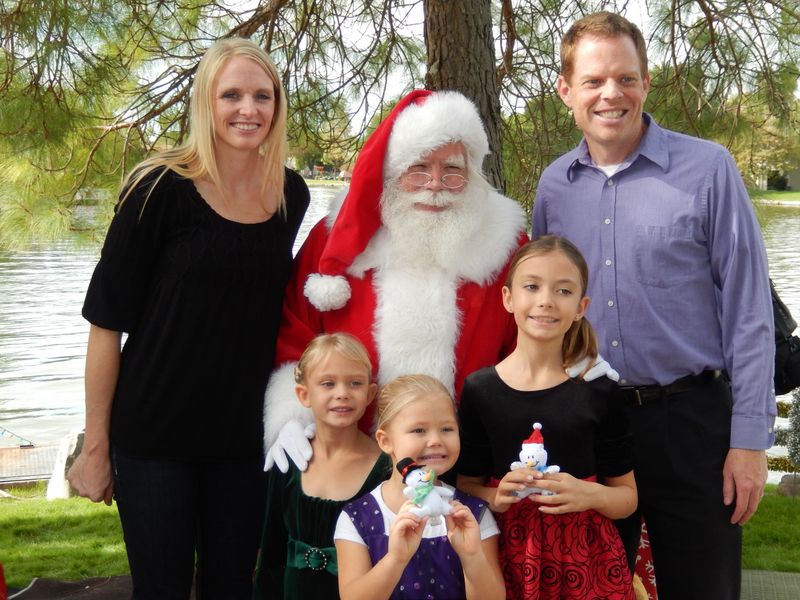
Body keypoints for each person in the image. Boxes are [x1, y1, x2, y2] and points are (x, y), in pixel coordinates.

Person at [532, 12, 776, 599]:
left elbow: (749, 311)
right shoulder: (554, 186)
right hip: (589, 423)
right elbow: (541, 315)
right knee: (591, 589)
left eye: (625, 77)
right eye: (593, 81)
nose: (610, 94)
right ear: (566, 90)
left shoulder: (709, 169)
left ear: (646, 82)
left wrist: (749, 442)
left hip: (690, 425)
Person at [66, 38, 310, 599]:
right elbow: (106, 324)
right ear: (205, 102)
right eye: (231, 95)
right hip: (153, 438)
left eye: (261, 96)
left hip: (242, 441)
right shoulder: (157, 189)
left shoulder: (287, 195)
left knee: (232, 589)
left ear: (277, 106)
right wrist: (95, 446)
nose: (248, 109)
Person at [263, 89, 530, 471]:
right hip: (349, 456)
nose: (435, 184)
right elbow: (296, 333)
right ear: (392, 171)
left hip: (470, 458)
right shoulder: (334, 239)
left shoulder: (505, 243)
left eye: (452, 170)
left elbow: (535, 334)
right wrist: (294, 414)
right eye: (419, 169)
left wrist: (577, 358)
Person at [456, 236, 637, 600]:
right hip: (504, 556)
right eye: (532, 286)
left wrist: (590, 494)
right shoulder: (479, 389)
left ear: (581, 306)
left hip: (588, 563)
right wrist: (496, 495)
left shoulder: (599, 390)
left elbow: (627, 498)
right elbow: (465, 487)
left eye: (563, 291)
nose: (546, 301)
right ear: (508, 298)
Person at [334, 374, 505, 600]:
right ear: (385, 441)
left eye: (447, 429)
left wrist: (472, 556)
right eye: (419, 430)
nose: (435, 440)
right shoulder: (357, 517)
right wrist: (396, 559)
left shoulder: (473, 513)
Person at [253, 333, 392, 599]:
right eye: (328, 383)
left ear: (370, 393)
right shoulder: (289, 460)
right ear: (304, 394)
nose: (342, 394)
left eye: (355, 383)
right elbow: (270, 553)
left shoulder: (385, 469)